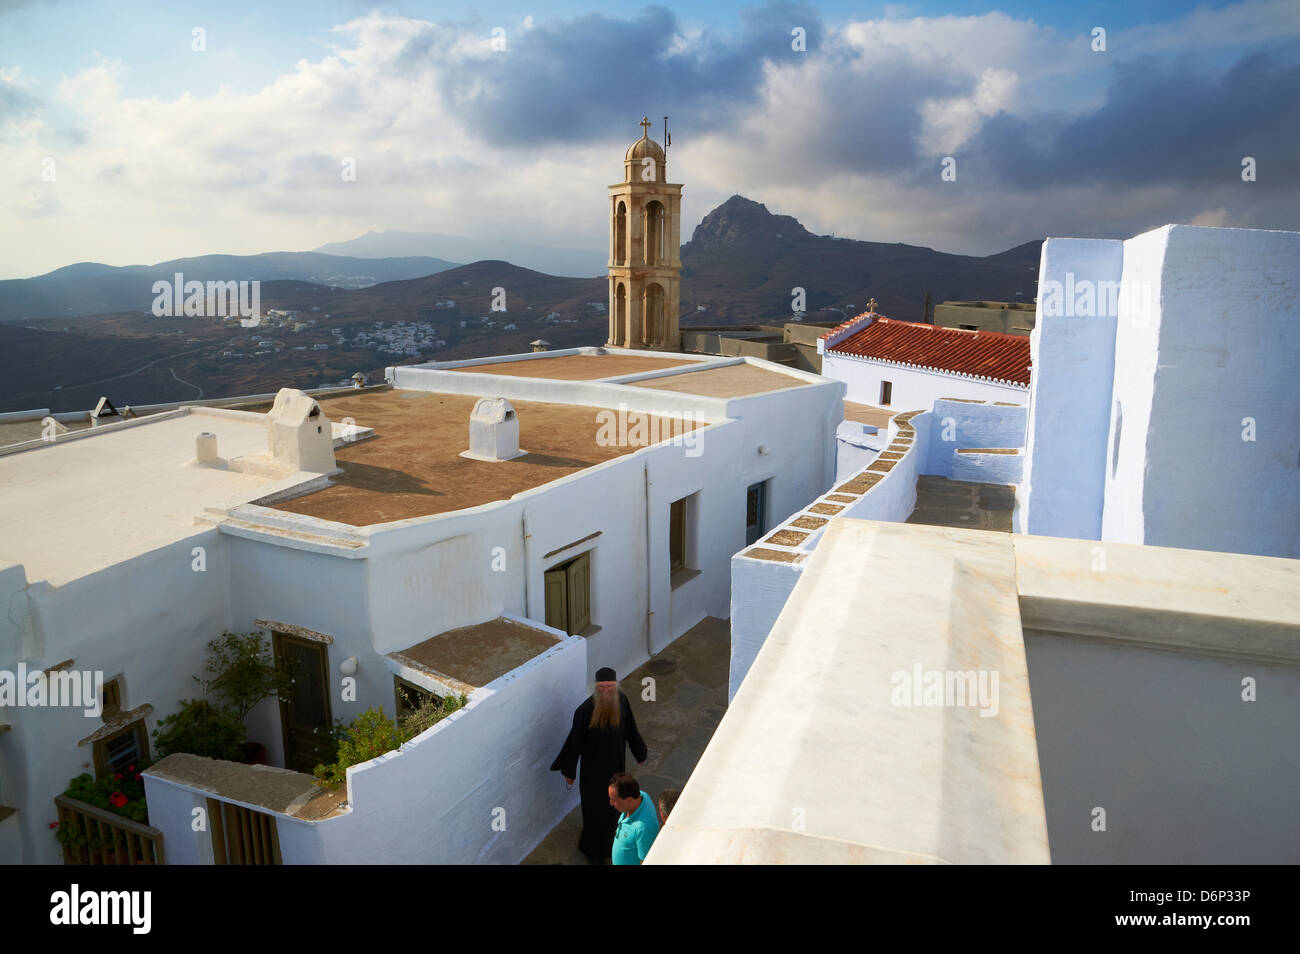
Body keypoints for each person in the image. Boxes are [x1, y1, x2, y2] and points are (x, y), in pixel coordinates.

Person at [550, 667, 647, 863]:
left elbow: (631, 729)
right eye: (601, 687)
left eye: (609, 686)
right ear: (595, 687)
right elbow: (574, 741)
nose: (605, 691)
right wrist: (569, 771)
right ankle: (592, 851)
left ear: (615, 685)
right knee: (594, 812)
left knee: (613, 810)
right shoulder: (584, 711)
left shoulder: (622, 701)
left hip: (616, 770)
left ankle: (611, 844)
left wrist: (640, 752)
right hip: (593, 776)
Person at [609, 773, 660, 865]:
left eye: (614, 800)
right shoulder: (642, 795)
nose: (611, 803)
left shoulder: (644, 828)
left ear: (629, 800)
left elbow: (646, 861)